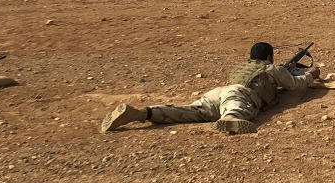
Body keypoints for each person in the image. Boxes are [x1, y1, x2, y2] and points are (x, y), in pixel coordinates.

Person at [100, 42, 319, 135]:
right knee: (236, 111)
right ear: (270, 57)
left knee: (187, 111)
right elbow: (294, 84)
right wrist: (310, 75)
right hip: (239, 96)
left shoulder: (241, 66)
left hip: (218, 93)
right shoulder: (271, 68)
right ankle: (231, 120)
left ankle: (142, 113)